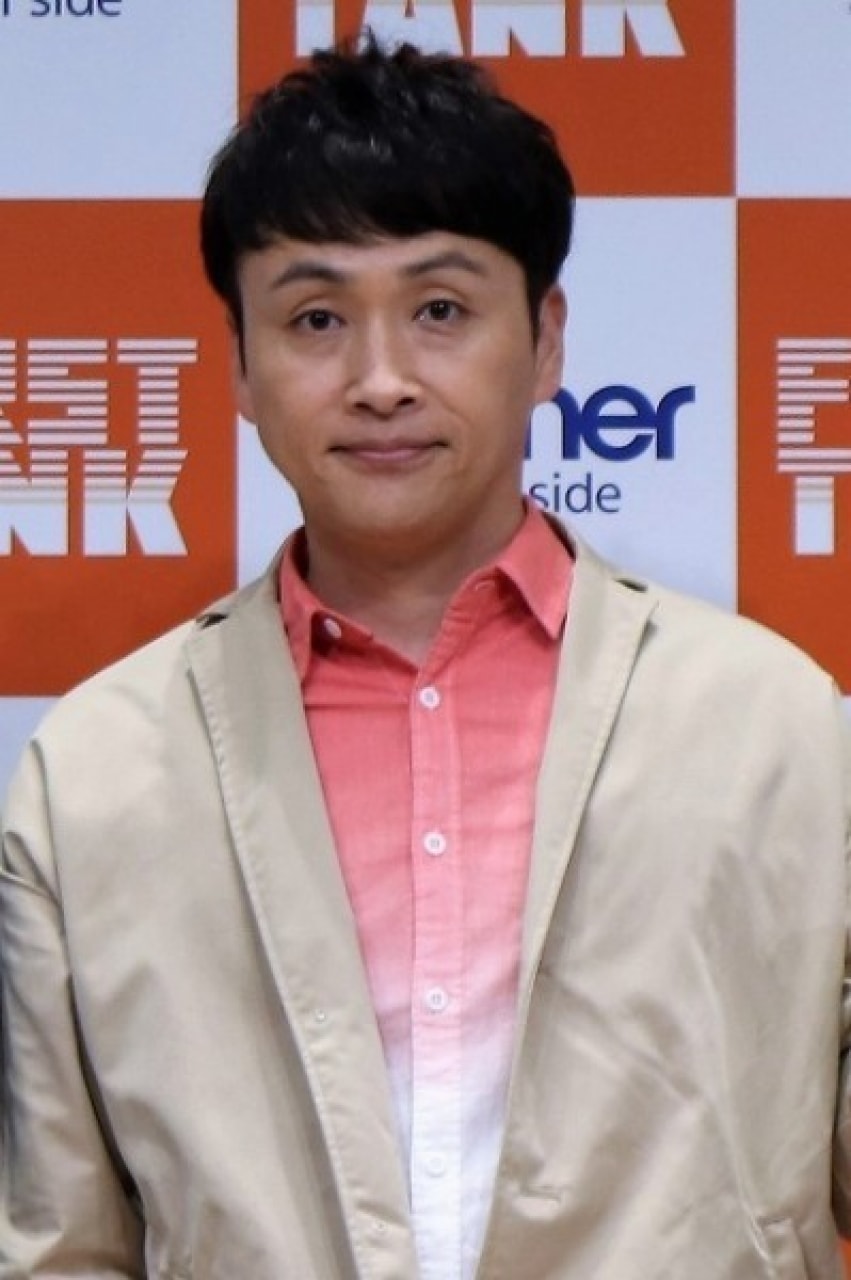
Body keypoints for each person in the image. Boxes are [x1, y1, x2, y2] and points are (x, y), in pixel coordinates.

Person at [1, 33, 850, 1280]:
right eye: (315, 318)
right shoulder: (95, 772)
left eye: (440, 309)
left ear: (545, 341)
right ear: (238, 365)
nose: (381, 378)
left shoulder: (773, 724)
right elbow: (61, 1247)